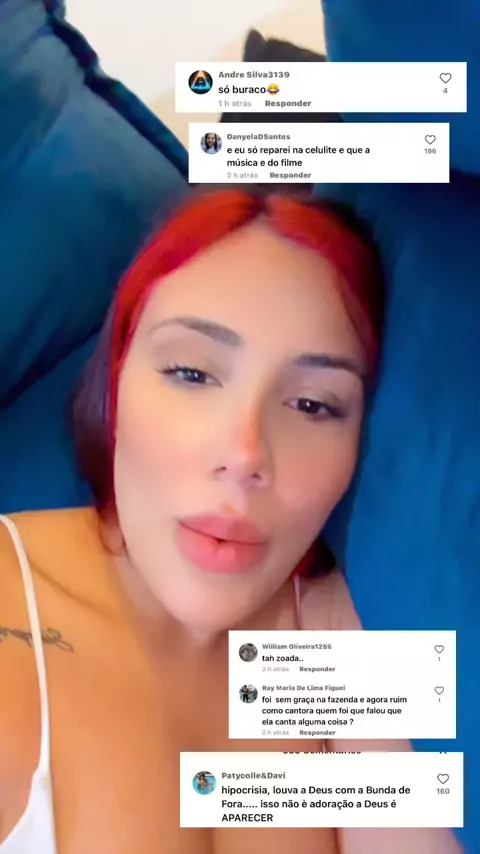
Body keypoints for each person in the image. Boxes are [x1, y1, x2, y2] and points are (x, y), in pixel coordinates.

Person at [0, 189, 462, 854]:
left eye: (312, 405)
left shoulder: (335, 638)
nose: (245, 454)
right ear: (117, 380)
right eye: (191, 373)